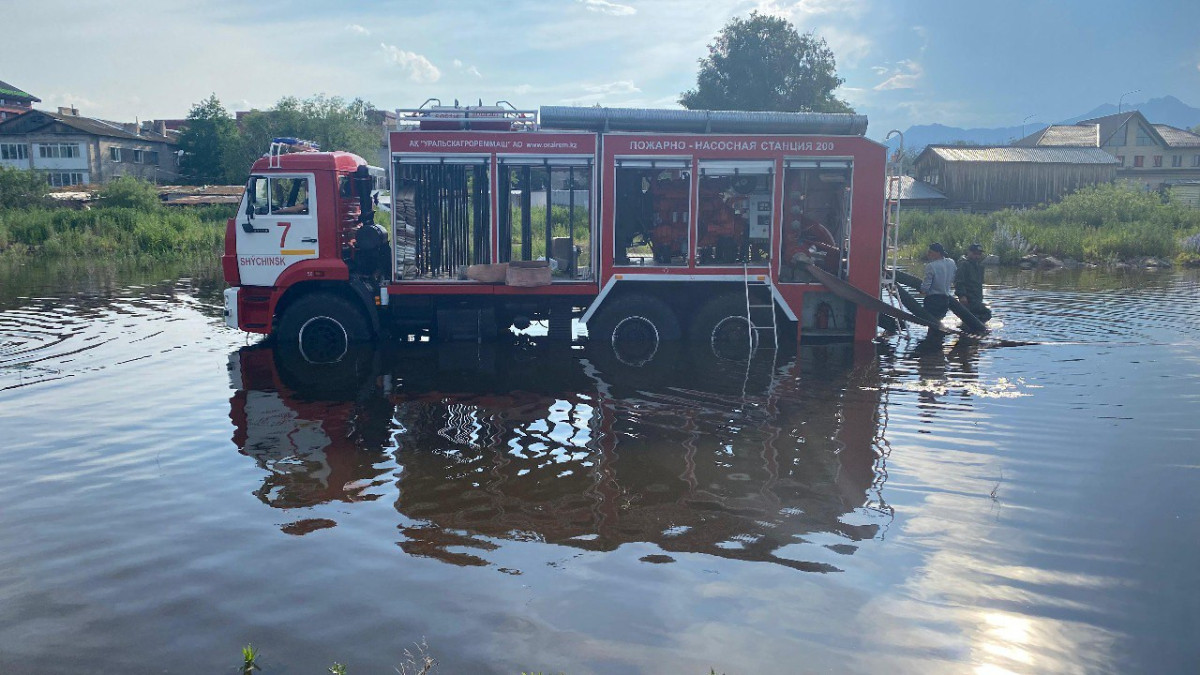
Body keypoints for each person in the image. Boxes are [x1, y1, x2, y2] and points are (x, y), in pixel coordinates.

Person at [920, 242, 956, 328]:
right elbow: (954, 278)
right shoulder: (951, 263)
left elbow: (925, 288)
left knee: (931, 324)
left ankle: (933, 340)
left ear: (938, 253)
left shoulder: (931, 266)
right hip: (945, 300)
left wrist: (921, 290)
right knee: (937, 322)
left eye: (930, 252)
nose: (928, 254)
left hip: (933, 300)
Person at [955, 243, 992, 322]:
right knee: (986, 313)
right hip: (968, 299)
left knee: (982, 316)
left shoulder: (979, 266)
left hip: (977, 298)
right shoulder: (963, 264)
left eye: (979, 254)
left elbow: (979, 284)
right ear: (968, 252)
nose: (977, 256)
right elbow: (959, 281)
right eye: (974, 253)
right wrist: (962, 296)